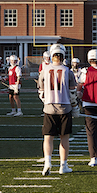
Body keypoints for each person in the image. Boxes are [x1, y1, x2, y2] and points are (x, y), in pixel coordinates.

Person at [36, 44, 75, 175]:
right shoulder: (67, 71)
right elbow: (73, 91)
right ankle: (63, 165)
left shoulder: (44, 70)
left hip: (49, 108)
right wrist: (75, 106)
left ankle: (47, 162)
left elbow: (40, 91)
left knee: (48, 137)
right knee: (64, 138)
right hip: (64, 107)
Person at [77, 49, 97, 167]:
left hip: (89, 104)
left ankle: (94, 157)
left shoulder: (85, 71)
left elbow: (79, 88)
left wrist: (79, 97)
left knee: (91, 132)